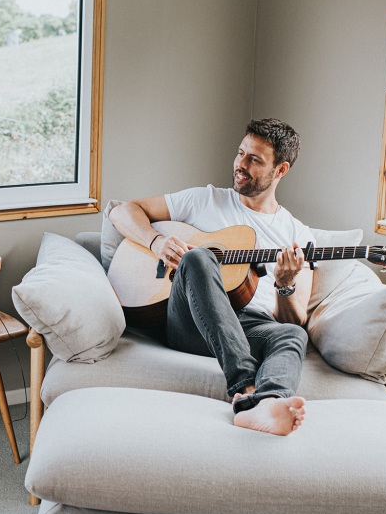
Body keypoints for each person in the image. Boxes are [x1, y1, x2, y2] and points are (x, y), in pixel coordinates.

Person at [109, 118, 312, 436]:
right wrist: (157, 241)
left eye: (254, 160)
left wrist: (285, 285)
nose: (240, 165)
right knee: (199, 256)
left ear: (281, 170)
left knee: (293, 336)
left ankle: (268, 404)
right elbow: (120, 210)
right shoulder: (204, 199)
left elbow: (295, 319)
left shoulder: (298, 235)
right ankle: (244, 393)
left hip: (249, 327)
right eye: (240, 153)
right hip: (190, 322)